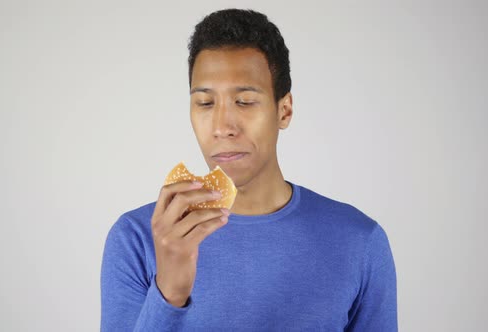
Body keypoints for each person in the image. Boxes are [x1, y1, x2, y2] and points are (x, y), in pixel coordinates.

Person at [101, 8, 397, 331]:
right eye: (205, 103)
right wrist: (169, 294)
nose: (222, 127)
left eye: (243, 101)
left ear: (284, 110)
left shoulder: (360, 243)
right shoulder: (136, 239)